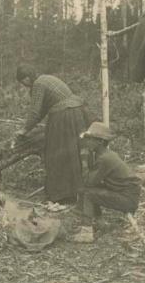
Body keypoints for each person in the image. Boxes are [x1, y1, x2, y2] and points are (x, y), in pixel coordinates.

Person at [15, 64, 94, 203]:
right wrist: (27, 127)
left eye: (23, 82)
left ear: (27, 78)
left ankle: (62, 195)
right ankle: (76, 191)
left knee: (56, 154)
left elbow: (34, 112)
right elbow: (42, 111)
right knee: (73, 153)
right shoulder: (46, 78)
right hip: (76, 112)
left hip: (64, 115)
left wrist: (24, 130)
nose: (24, 85)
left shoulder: (38, 84)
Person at [78, 122, 142, 232]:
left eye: (91, 139)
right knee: (89, 190)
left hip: (127, 199)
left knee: (87, 193)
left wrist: (84, 160)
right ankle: (100, 223)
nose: (87, 142)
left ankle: (86, 231)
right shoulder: (105, 155)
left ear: (100, 142)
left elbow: (88, 182)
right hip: (125, 194)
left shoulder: (105, 158)